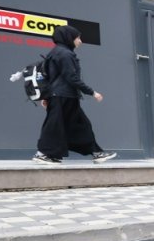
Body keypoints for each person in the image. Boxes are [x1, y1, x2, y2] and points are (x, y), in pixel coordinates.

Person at [34, 25, 115, 165]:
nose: (80, 41)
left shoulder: (54, 52)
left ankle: (96, 152)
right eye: (78, 38)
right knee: (57, 125)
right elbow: (71, 77)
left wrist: (46, 96)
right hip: (63, 96)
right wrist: (92, 92)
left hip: (61, 96)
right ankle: (43, 154)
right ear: (68, 38)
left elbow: (50, 77)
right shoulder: (65, 54)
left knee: (77, 125)